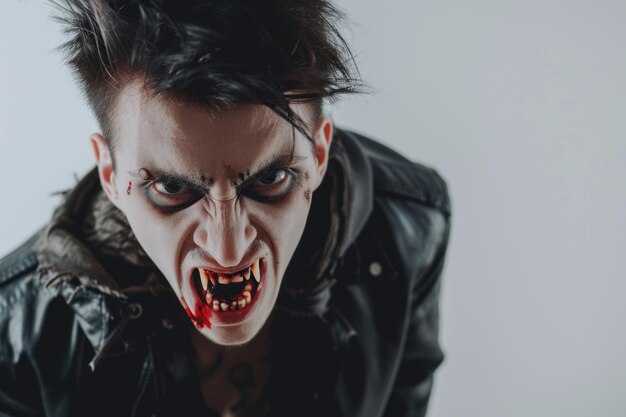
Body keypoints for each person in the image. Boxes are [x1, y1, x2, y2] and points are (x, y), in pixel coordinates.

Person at [0, 1, 452, 416]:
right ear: (110, 173)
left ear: (319, 155)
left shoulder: (409, 231)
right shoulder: (13, 334)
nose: (228, 248)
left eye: (271, 179)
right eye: (172, 187)